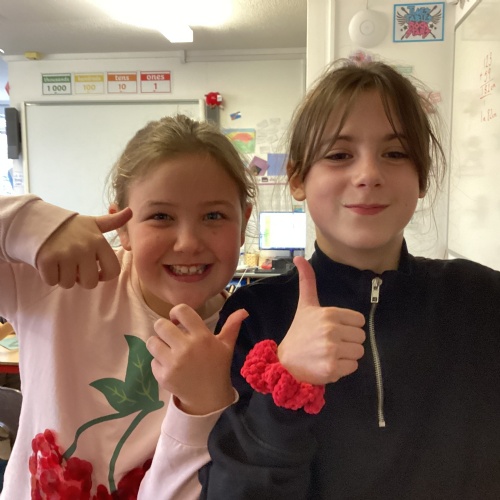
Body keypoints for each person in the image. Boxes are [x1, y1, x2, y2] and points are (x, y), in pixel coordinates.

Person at [200, 59, 500, 499]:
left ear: (421, 177)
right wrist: (286, 383)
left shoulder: (481, 299)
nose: (368, 175)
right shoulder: (253, 316)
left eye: (395, 154)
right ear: (298, 178)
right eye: (339, 155)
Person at [0, 114, 255, 499]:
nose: (188, 242)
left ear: (244, 221)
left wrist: (203, 408)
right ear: (122, 227)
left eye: (214, 216)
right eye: (161, 216)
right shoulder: (61, 283)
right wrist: (28, 223)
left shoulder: (253, 339)